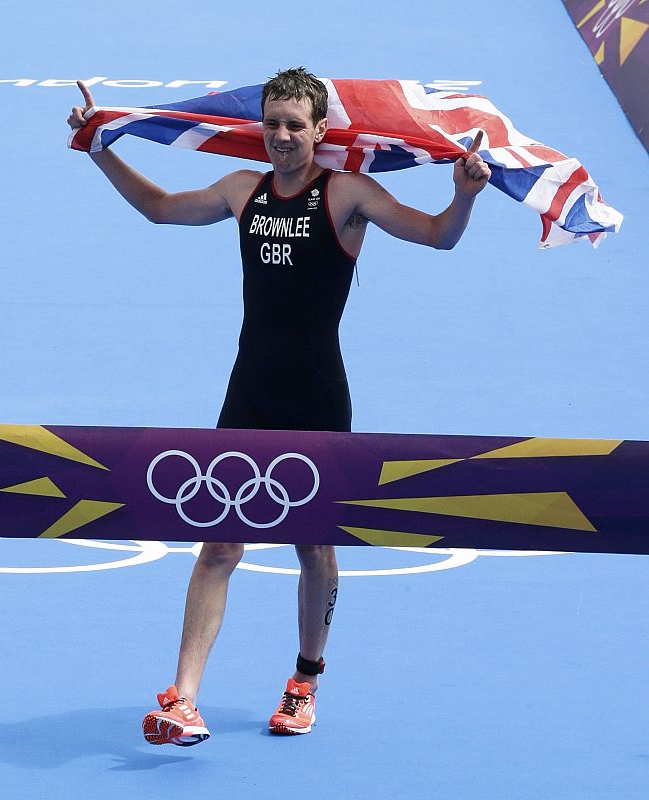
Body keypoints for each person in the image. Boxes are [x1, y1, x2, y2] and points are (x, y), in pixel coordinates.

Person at [67, 67, 491, 745]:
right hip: (250, 391)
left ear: (321, 130)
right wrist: (99, 148)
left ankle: (304, 681)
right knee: (217, 544)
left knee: (314, 546)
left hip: (317, 395)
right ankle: (184, 699)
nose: (283, 136)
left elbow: (440, 234)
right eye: (272, 123)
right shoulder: (242, 190)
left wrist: (464, 196)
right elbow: (159, 208)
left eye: (296, 125)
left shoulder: (348, 193)